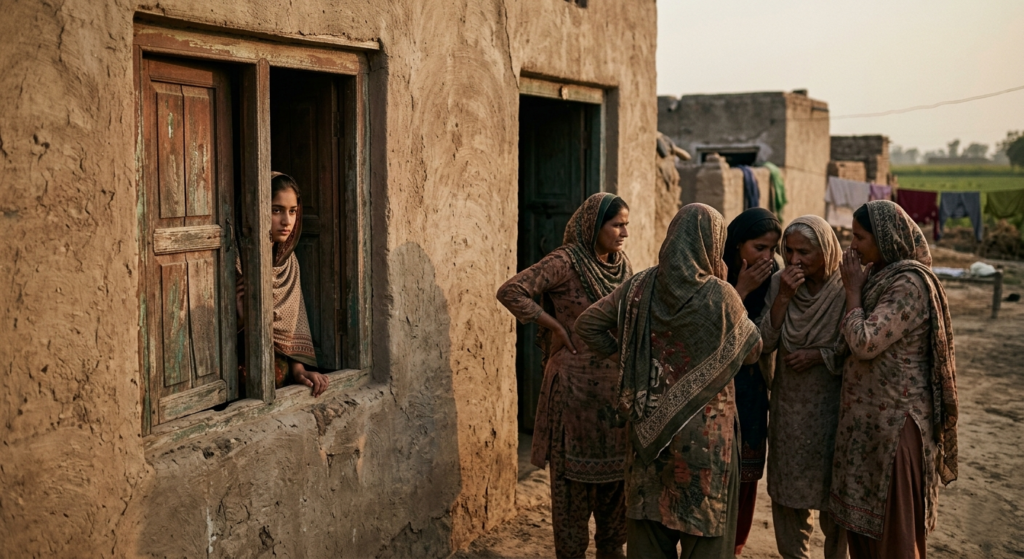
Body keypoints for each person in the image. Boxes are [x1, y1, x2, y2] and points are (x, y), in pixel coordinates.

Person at [575, 203, 763, 559]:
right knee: (704, 535)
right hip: (705, 441)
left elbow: (587, 324)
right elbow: (753, 349)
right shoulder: (720, 295)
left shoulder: (639, 286)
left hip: (647, 438)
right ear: (713, 244)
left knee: (648, 533)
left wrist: (629, 357)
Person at [496, 193, 633, 559]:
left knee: (615, 497)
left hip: (613, 398)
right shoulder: (566, 261)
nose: (623, 233)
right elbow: (511, 291)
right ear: (593, 226)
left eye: (626, 225)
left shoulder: (621, 265)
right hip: (572, 394)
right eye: (616, 224)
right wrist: (554, 325)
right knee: (572, 492)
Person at [831, 201, 958, 559]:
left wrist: (853, 291)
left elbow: (865, 342)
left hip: (894, 431)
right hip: (867, 425)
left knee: (894, 535)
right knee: (864, 530)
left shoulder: (910, 283)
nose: (852, 246)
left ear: (885, 239)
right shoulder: (880, 275)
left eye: (859, 237)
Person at [759, 216, 849, 559]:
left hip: (831, 410)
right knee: (787, 493)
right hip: (789, 409)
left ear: (826, 251)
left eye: (804, 252)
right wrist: (783, 296)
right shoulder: (780, 284)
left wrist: (818, 356)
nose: (794, 260)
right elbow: (763, 342)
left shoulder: (846, 288)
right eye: (790, 251)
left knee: (833, 495)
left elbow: (855, 347)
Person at [236, 172, 330, 397]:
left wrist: (299, 370)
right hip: (238, 387)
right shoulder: (233, 261)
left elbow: (291, 326)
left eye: (292, 211)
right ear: (253, 209)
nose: (287, 221)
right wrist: (241, 320)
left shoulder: (288, 263)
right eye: (276, 210)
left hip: (281, 385)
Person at [723, 208, 781, 556]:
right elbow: (712, 333)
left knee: (746, 480)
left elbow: (762, 343)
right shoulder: (715, 276)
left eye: (773, 250)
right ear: (737, 244)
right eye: (759, 247)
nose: (767, 258)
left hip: (753, 394)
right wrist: (739, 290)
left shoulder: (774, 281)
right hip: (718, 393)